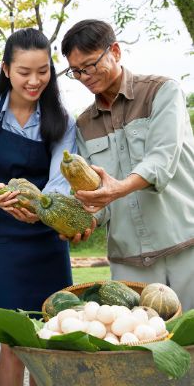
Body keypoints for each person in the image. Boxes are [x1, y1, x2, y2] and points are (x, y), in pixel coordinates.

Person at [0, 28, 92, 386]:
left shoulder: (61, 119)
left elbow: (60, 177)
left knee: (51, 326)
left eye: (43, 71)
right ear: (6, 70)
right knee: (13, 335)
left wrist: (42, 208)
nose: (34, 80)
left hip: (47, 231)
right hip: (1, 233)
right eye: (24, 72)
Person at [61, 19, 194, 311]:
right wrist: (88, 219)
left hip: (186, 247)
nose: (84, 76)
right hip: (129, 261)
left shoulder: (162, 92)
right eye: (76, 71)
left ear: (116, 51)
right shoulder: (83, 125)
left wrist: (118, 188)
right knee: (137, 347)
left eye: (90, 65)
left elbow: (161, 160)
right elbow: (98, 192)